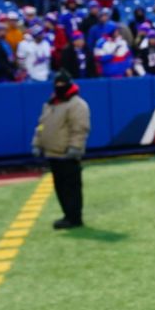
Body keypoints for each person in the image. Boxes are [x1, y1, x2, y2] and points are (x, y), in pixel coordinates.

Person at [32, 71, 91, 229]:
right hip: (52, 153)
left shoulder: (76, 104)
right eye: (56, 84)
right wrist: (37, 143)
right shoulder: (50, 104)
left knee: (71, 187)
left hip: (67, 154)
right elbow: (41, 126)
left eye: (61, 84)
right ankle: (67, 215)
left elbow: (79, 129)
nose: (59, 87)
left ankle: (74, 217)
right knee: (60, 187)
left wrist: (75, 147)